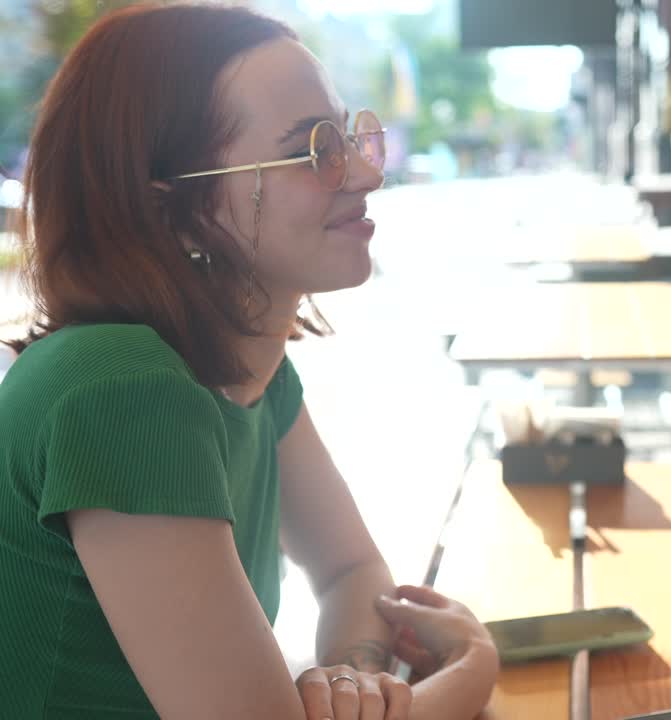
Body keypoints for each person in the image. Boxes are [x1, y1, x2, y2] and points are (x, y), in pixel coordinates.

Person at [0, 4, 496, 718]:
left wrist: (354, 679)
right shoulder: (119, 387)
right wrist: (474, 667)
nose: (363, 173)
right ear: (176, 207)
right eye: (313, 151)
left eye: (350, 136)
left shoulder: (245, 372)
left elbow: (352, 570)